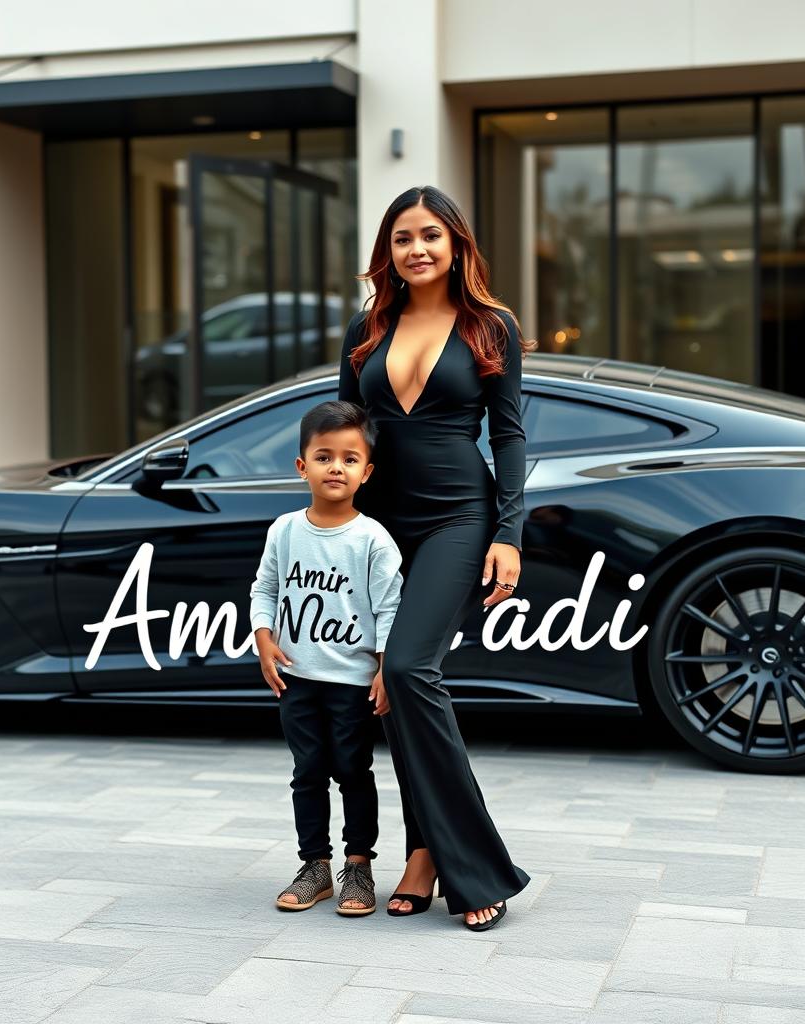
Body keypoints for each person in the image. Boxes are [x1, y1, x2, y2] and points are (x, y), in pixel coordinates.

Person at [338, 184, 538, 932]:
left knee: (409, 668)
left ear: (456, 245)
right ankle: (423, 853)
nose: (416, 249)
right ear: (386, 252)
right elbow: (348, 434)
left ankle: (473, 865)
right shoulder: (367, 327)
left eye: (430, 235)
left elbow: (510, 436)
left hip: (460, 515)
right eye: (401, 238)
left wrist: (509, 533)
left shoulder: (492, 327)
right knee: (388, 687)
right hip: (381, 525)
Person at [249, 399, 404, 916]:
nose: (336, 467)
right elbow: (264, 588)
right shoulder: (284, 531)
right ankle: (314, 864)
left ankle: (358, 866)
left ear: (367, 471)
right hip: (297, 679)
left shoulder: (373, 540)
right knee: (307, 771)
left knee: (353, 771)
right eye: (323, 456)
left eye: (349, 458)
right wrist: (263, 634)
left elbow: (388, 609)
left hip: (351, 682)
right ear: (302, 466)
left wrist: (384, 667)